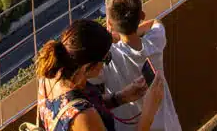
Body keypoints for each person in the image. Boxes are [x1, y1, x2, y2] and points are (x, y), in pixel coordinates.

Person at [35, 18, 164, 131]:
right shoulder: (83, 116)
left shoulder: (49, 74)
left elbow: (84, 101)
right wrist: (148, 113)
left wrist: (121, 97)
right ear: (87, 67)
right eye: (107, 58)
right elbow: (82, 111)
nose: (106, 63)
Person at [105, 0, 181, 131]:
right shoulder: (155, 41)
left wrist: (116, 35)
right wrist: (124, 31)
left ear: (109, 24)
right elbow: (155, 22)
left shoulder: (109, 56)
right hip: (168, 125)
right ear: (142, 15)